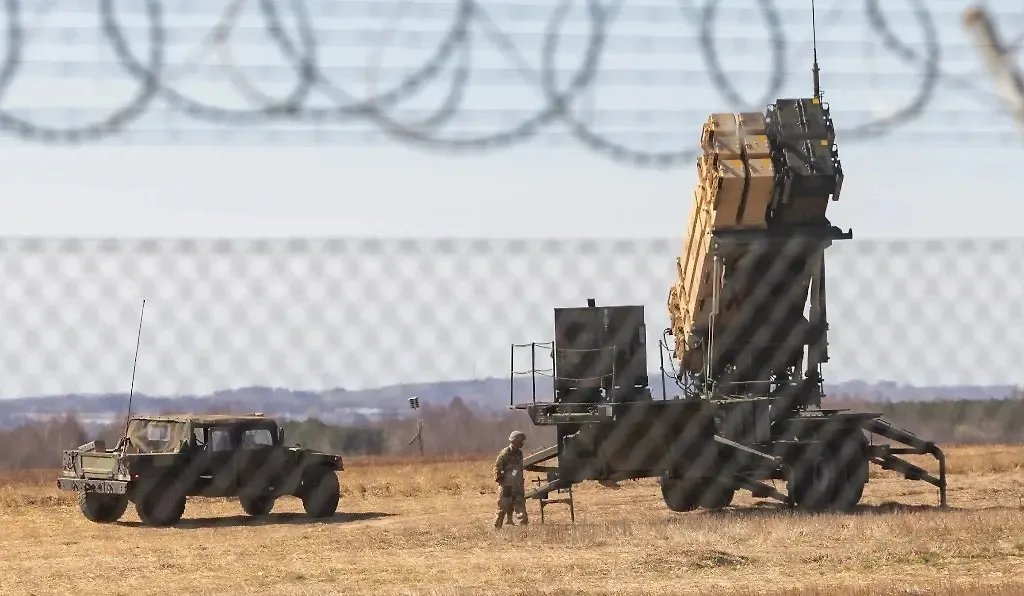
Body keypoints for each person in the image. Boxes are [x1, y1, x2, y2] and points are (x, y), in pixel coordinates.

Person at [493, 430, 528, 528]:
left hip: (517, 486)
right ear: (515, 441)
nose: (522, 443)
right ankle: (497, 528)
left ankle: (523, 531)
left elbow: (517, 469)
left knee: (521, 509)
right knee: (502, 508)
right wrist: (500, 479)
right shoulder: (505, 453)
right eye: (521, 441)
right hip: (507, 486)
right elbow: (497, 467)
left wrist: (516, 478)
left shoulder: (519, 454)